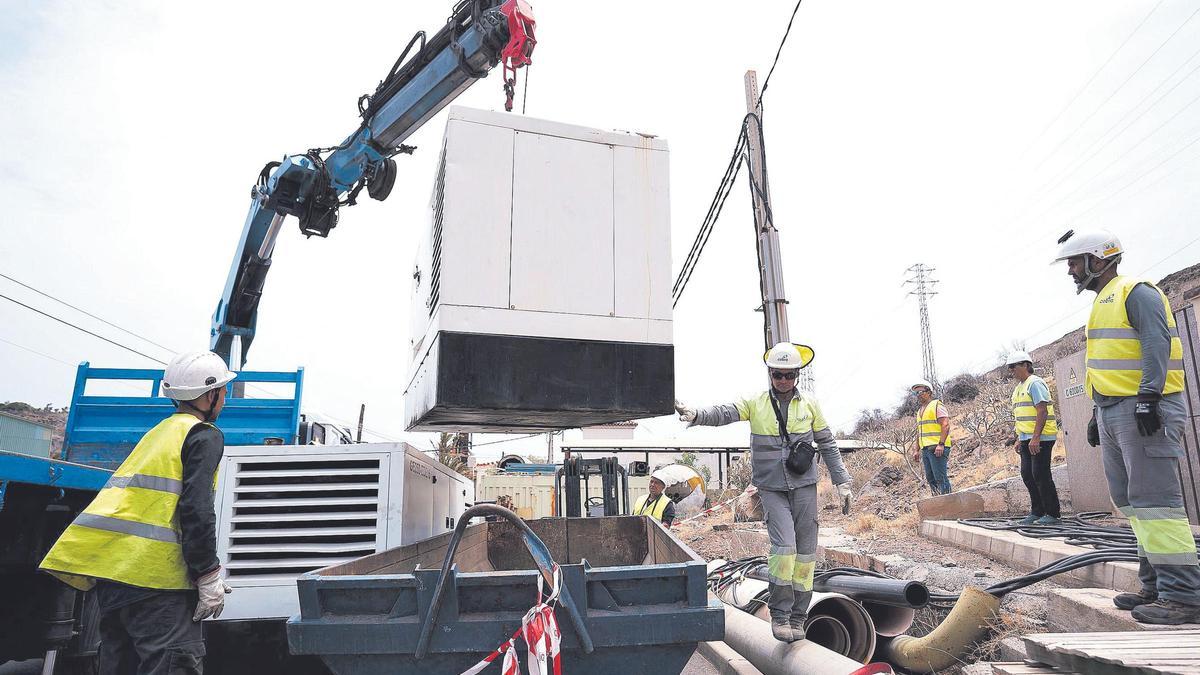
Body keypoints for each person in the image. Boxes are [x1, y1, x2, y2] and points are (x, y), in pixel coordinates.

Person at [40, 351, 237, 673]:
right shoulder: (203, 435)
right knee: (174, 662)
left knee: (121, 665)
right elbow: (196, 508)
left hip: (116, 575)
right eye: (224, 391)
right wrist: (208, 573)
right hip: (158, 582)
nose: (226, 400)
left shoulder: (158, 433)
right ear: (209, 393)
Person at [1054, 229, 1199, 625]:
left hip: (1145, 408)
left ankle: (1184, 596)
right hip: (1117, 410)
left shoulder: (1137, 291)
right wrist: (1097, 413)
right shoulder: (1104, 300)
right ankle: (1156, 586)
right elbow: (1111, 361)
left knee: (1157, 505)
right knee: (1135, 503)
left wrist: (1150, 397)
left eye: (1074, 261)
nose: (1069, 269)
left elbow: (1157, 344)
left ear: (1099, 259)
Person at [675, 342, 852, 643]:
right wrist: (696, 414)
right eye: (778, 375)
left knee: (806, 554)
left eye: (789, 375)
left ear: (797, 375)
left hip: (804, 486)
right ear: (770, 374)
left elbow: (827, 442)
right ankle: (780, 613)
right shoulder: (755, 403)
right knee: (785, 550)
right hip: (771, 488)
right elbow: (724, 412)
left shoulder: (809, 405)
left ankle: (799, 616)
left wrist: (842, 481)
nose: (783, 381)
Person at [1005, 351, 1061, 525]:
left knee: (1040, 474)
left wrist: (1036, 437)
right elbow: (1021, 415)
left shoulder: (1035, 383)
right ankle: (1037, 511)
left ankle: (1052, 514)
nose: (1011, 371)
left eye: (1013, 367)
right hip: (1027, 438)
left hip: (1041, 437)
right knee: (1027, 474)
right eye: (1010, 368)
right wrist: (1019, 438)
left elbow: (1041, 410)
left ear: (1025, 365)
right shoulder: (1018, 389)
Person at [910, 380, 953, 495]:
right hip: (926, 449)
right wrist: (916, 450)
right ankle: (938, 505)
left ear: (929, 392)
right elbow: (920, 432)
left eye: (920, 392)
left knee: (940, 477)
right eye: (916, 393)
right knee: (931, 479)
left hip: (937, 447)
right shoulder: (920, 411)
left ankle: (949, 504)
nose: (918, 395)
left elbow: (945, 424)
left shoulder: (936, 405)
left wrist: (941, 444)